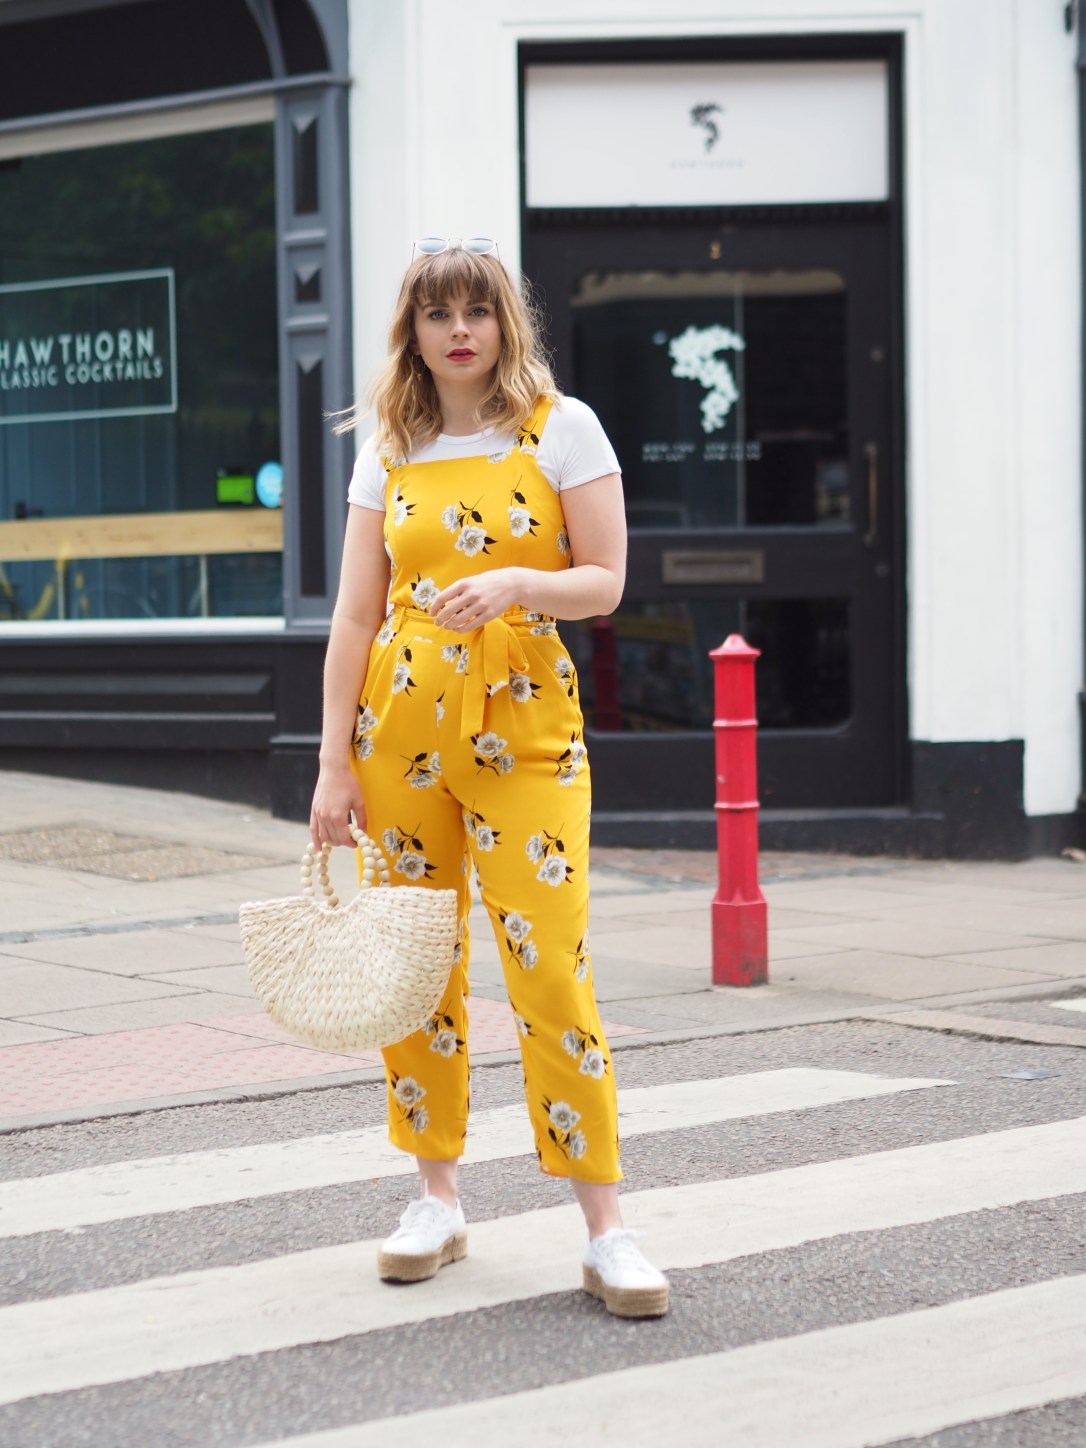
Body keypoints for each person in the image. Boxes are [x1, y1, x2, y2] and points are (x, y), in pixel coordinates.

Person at [309, 236, 668, 1318]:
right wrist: (333, 762)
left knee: (548, 965)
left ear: (508, 322)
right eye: (437, 312)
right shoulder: (394, 445)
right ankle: (436, 1197)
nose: (459, 328)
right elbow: (355, 614)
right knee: (417, 966)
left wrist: (517, 579)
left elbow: (604, 582)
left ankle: (607, 1225)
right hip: (400, 728)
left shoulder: (565, 426)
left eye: (478, 309)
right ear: (413, 331)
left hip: (527, 730)